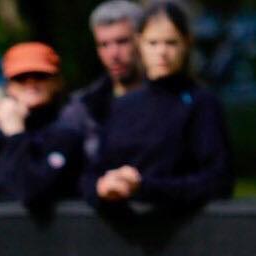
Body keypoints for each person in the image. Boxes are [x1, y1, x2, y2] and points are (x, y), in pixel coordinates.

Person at [80, 1, 232, 212]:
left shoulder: (201, 103)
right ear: (139, 44)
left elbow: (218, 181)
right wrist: (103, 187)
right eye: (153, 43)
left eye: (171, 43)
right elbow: (92, 174)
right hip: (124, 232)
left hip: (184, 231)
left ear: (186, 43)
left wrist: (146, 188)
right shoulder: (123, 106)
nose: (162, 52)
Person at [0, 42, 83, 210]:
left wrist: (16, 135)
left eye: (40, 76)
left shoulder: (65, 136)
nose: (31, 84)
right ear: (9, 86)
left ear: (56, 82)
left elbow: (34, 195)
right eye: (21, 78)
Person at [59, 1, 144, 164]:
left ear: (140, 39)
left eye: (122, 41)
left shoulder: (176, 99)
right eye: (103, 45)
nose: (113, 54)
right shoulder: (83, 108)